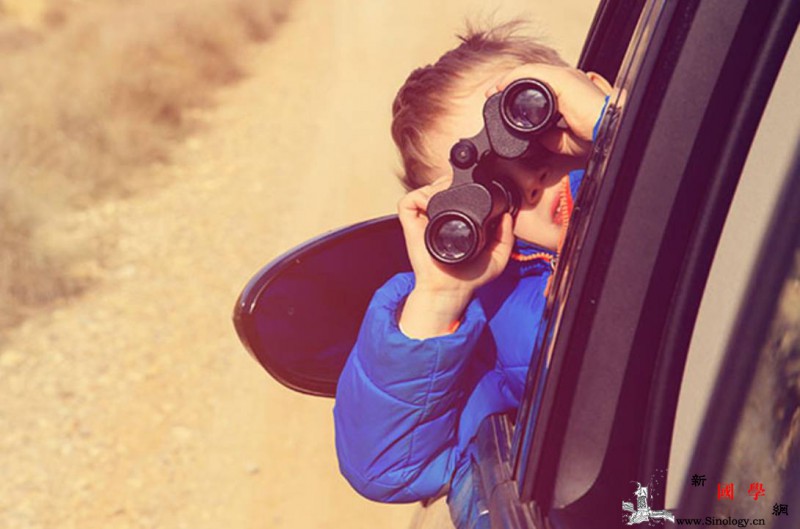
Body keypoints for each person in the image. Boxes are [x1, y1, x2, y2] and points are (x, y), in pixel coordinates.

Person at [333, 21, 612, 519]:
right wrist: (439, 298)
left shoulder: (686, 164)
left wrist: (616, 129)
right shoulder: (492, 321)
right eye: (492, 193)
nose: (531, 184)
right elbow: (385, 465)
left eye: (532, 129)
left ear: (589, 94)